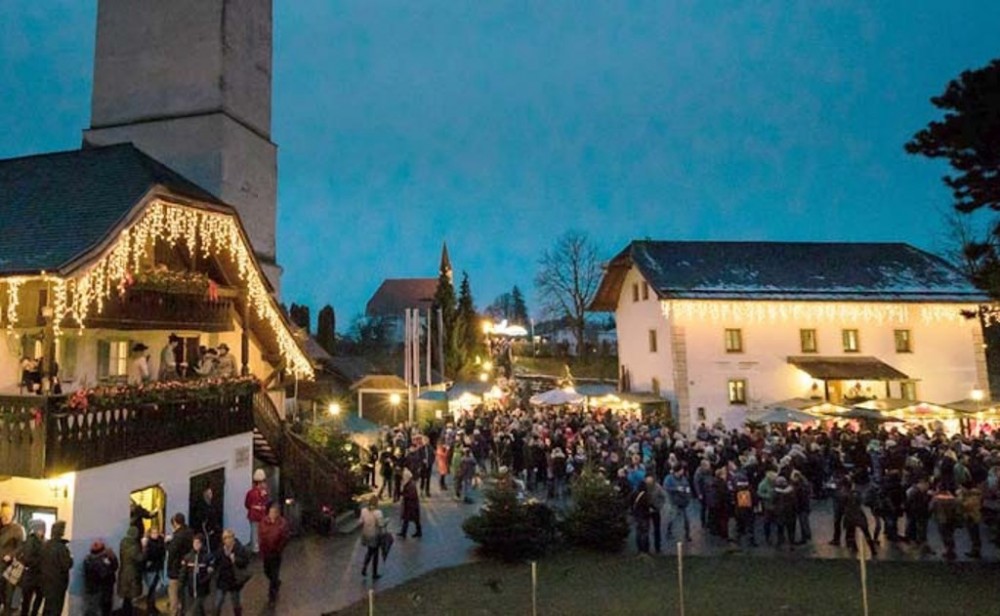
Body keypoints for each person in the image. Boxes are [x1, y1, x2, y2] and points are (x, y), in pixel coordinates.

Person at [258, 503, 289, 607]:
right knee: (267, 571)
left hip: (276, 553)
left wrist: (279, 548)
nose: (272, 514)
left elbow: (285, 537)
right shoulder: (264, 522)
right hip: (266, 553)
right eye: (271, 512)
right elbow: (261, 534)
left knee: (274, 574)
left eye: (274, 512)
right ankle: (276, 582)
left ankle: (272, 597)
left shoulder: (282, 523)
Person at [213, 529, 250, 616]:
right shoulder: (221, 548)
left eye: (229, 538)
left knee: (236, 603)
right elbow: (216, 561)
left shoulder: (239, 548)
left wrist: (235, 560)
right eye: (225, 538)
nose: (227, 540)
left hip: (234, 580)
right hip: (222, 579)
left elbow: (245, 562)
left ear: (233, 538)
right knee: (218, 602)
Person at [38, 521, 71, 616]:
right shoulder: (62, 548)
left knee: (47, 608)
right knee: (56, 610)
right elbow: (66, 565)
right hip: (58, 584)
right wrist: (71, 559)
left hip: (46, 582)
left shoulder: (45, 545)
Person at [166, 513, 194, 616]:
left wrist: (167, 542)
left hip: (175, 569)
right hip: (186, 567)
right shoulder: (190, 532)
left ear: (175, 522)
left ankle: (174, 613)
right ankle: (183, 611)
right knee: (183, 593)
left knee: (173, 594)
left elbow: (172, 551)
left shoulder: (178, 536)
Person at [0, 502, 25, 616]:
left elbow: (21, 547)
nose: (4, 518)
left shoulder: (17, 529)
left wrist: (11, 555)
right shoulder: (1, 528)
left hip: (9, 568)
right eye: (2, 516)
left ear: (11, 515)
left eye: (6, 516)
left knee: (8, 597)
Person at [178, 534, 213, 616]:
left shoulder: (206, 557)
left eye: (198, 543)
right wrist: (181, 584)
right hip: (190, 589)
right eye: (194, 543)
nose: (196, 545)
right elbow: (183, 572)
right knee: (199, 610)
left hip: (202, 589)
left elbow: (210, 572)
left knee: (191, 612)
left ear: (201, 544)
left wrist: (203, 581)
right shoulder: (188, 557)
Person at [17, 519, 45, 616]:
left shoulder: (42, 541)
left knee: (39, 597)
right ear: (36, 529)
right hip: (30, 577)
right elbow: (27, 559)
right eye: (41, 529)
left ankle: (33, 613)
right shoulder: (31, 540)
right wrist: (41, 561)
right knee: (27, 601)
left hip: (38, 577)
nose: (43, 531)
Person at [82, 540, 117, 616]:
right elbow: (111, 569)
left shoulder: (88, 559)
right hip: (101, 591)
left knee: (91, 609)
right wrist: (112, 557)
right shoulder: (101, 560)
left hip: (93, 590)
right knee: (102, 609)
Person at [117, 527, 143, 616]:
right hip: (132, 572)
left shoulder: (123, 543)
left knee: (126, 597)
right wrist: (145, 548)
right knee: (130, 595)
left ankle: (125, 612)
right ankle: (128, 613)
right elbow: (140, 558)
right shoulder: (134, 546)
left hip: (123, 570)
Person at [359, 496, 386, 580]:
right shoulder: (378, 513)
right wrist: (386, 521)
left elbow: (360, 521)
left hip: (366, 535)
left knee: (370, 551)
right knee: (375, 554)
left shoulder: (363, 511)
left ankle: (364, 567)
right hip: (375, 536)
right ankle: (374, 573)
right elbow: (381, 524)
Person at [664, 465, 693, 542]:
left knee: (687, 519)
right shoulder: (669, 478)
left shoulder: (683, 478)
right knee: (672, 518)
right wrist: (676, 489)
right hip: (674, 502)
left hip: (683, 501)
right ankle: (668, 532)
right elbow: (666, 487)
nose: (682, 472)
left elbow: (687, 486)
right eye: (681, 470)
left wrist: (688, 492)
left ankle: (687, 534)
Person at [141, 527, 166, 615]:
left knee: (154, 589)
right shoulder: (149, 543)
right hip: (151, 569)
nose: (155, 534)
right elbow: (154, 553)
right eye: (153, 533)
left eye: (156, 532)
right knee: (152, 589)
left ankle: (152, 607)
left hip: (157, 568)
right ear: (150, 534)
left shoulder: (157, 542)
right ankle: (150, 609)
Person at [244, 469, 269, 554]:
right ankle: (256, 548)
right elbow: (265, 503)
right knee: (257, 532)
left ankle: (255, 548)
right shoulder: (262, 493)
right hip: (259, 515)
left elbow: (247, 504)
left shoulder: (250, 492)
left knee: (255, 531)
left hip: (254, 515)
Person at [190, 487, 221, 552]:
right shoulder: (202, 506)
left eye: (211, 493)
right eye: (209, 493)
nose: (211, 495)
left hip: (212, 530)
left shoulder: (212, 505)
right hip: (205, 530)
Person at [645, 474, 667, 553]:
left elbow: (663, 497)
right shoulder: (643, 487)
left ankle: (657, 547)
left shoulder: (658, 487)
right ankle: (645, 548)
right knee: (645, 528)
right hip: (646, 510)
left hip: (655, 510)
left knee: (657, 529)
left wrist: (658, 506)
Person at [398, 469, 423, 539]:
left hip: (411, 505)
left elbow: (411, 495)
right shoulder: (409, 483)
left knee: (413, 519)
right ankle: (404, 532)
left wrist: (403, 494)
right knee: (408, 519)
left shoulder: (411, 485)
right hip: (410, 505)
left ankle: (417, 532)